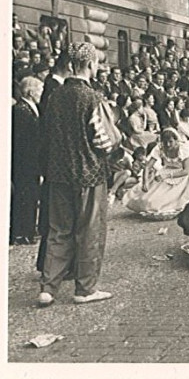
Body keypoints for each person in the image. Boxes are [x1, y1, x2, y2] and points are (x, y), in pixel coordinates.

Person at [39, 42, 115, 307]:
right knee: (89, 231)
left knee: (58, 230)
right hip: (89, 174)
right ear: (91, 65)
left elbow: (46, 135)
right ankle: (85, 289)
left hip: (58, 173)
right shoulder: (92, 98)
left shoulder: (54, 96)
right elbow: (104, 141)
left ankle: (48, 288)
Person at [122, 128, 189, 221]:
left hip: (188, 171)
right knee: (146, 200)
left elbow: (186, 171)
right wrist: (145, 182)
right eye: (165, 142)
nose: (168, 144)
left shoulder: (183, 149)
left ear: (176, 140)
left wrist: (166, 176)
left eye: (171, 141)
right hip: (169, 170)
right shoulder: (160, 148)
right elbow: (147, 167)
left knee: (174, 200)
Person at [11, 77, 44, 245]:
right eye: (39, 90)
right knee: (25, 196)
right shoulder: (21, 110)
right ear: (31, 92)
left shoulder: (29, 108)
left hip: (31, 162)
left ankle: (28, 231)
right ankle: (22, 233)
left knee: (31, 196)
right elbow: (24, 142)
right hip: (26, 163)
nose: (41, 93)